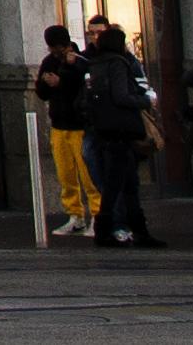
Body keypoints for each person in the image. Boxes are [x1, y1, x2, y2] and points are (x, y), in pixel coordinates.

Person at [82, 16, 161, 248]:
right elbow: (121, 96)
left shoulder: (94, 64)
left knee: (126, 182)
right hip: (121, 131)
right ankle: (109, 229)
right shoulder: (117, 63)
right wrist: (144, 100)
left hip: (104, 130)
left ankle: (136, 229)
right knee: (120, 183)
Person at [36, 24, 97, 236]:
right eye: (51, 47)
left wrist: (61, 79)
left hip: (80, 125)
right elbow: (41, 92)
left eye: (58, 46)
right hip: (59, 125)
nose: (54, 50)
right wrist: (46, 83)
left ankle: (97, 215)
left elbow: (85, 86)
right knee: (66, 175)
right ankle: (75, 215)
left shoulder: (80, 60)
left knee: (88, 173)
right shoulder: (49, 62)